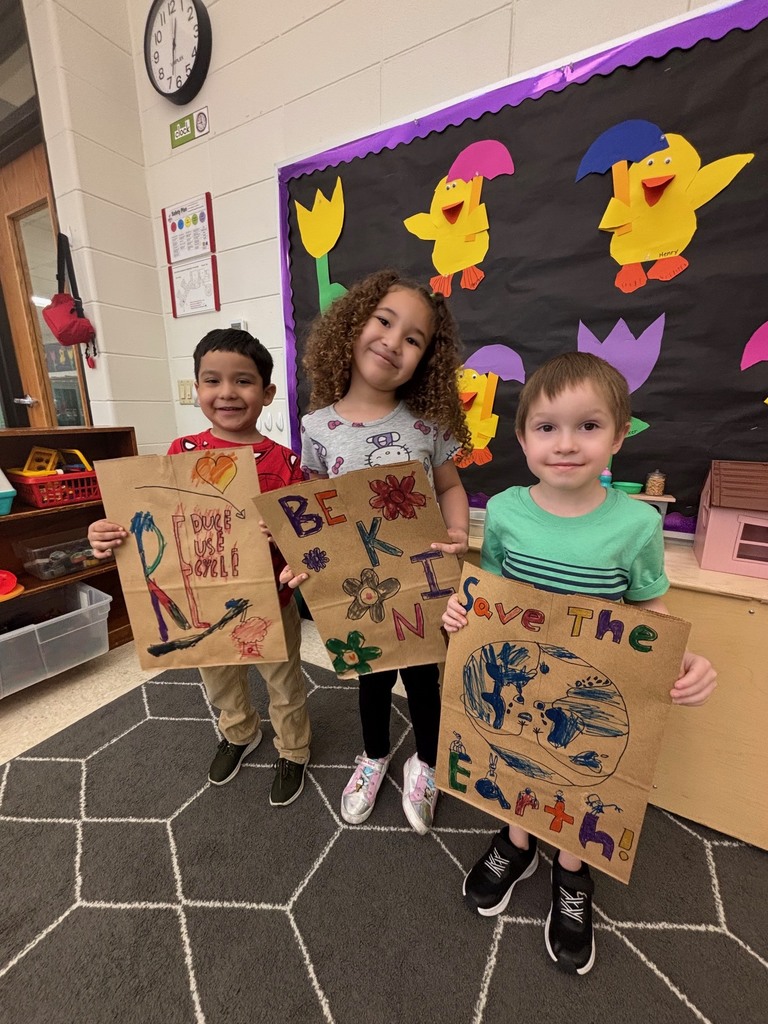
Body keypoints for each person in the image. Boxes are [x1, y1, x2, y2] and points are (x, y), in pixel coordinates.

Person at [442, 351, 717, 975]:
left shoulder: (637, 524)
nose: (566, 444)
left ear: (619, 435)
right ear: (522, 436)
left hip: (588, 689)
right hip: (516, 675)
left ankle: (571, 869)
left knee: (578, 773)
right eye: (547, 427)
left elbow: (652, 610)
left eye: (588, 426)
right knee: (510, 754)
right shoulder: (507, 511)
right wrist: (460, 613)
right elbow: (487, 592)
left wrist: (682, 658)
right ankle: (517, 844)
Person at [88, 329, 311, 806]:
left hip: (273, 599)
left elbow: (306, 533)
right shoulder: (179, 453)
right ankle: (239, 732)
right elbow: (148, 519)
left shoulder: (284, 462)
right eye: (212, 381)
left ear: (267, 393)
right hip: (202, 600)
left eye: (244, 381)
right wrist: (107, 532)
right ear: (197, 389)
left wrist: (288, 538)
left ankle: (293, 749)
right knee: (219, 678)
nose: (227, 392)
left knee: (284, 680)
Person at [282, 268, 471, 835]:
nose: (393, 341)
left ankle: (428, 762)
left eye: (413, 339)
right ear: (354, 325)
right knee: (369, 675)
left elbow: (451, 488)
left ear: (425, 360)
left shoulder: (427, 425)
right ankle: (373, 755)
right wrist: (303, 554)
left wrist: (458, 537)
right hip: (354, 583)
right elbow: (310, 504)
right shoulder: (317, 426)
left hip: (418, 576)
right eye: (384, 322)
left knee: (422, 679)